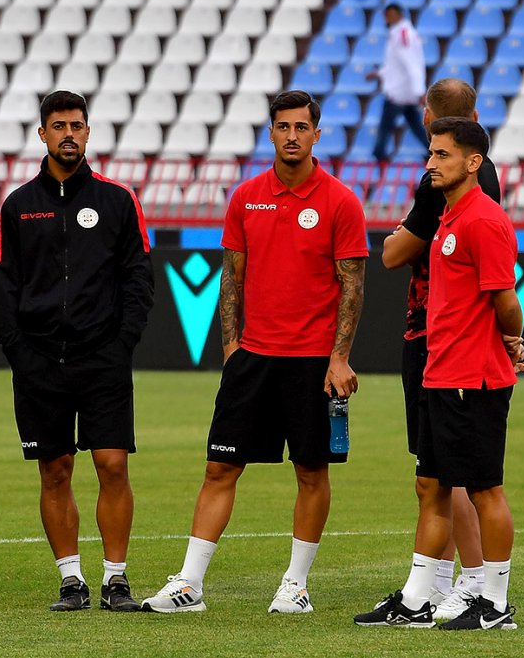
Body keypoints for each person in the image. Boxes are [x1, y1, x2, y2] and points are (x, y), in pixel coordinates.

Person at [141, 90, 368, 614]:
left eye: (301, 127)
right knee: (219, 468)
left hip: (313, 362)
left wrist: (339, 357)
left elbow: (353, 285)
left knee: (311, 471)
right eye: (283, 127)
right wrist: (231, 347)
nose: (292, 136)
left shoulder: (340, 201)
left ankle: (295, 584)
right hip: (253, 359)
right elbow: (231, 276)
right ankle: (189, 584)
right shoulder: (246, 197)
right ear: (270, 133)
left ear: (317, 135)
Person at [354, 117, 524, 630]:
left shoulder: (485, 220)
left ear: (473, 162)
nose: (431, 163)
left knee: (484, 489)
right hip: (440, 373)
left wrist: (512, 340)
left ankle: (495, 603)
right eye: (430, 153)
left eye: (442, 154)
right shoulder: (448, 217)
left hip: (473, 378)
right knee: (430, 485)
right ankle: (416, 600)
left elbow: (506, 300)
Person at [0, 90, 154, 613]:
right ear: (42, 134)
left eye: (76, 126)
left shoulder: (117, 200)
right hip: (39, 360)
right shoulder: (19, 205)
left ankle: (116, 580)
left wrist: (122, 342)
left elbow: (139, 278)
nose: (68, 134)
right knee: (55, 468)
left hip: (102, 357)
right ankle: (71, 580)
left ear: (88, 132)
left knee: (112, 464)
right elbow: (4, 284)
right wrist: (19, 351)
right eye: (58, 126)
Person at [368, 3, 427, 162]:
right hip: (405, 90)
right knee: (415, 124)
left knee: (386, 125)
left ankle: (379, 154)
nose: (386, 19)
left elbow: (411, 63)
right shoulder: (399, 33)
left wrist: (419, 91)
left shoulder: (402, 34)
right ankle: (431, 150)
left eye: (389, 15)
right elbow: (395, 64)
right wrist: (379, 73)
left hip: (399, 91)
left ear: (398, 15)